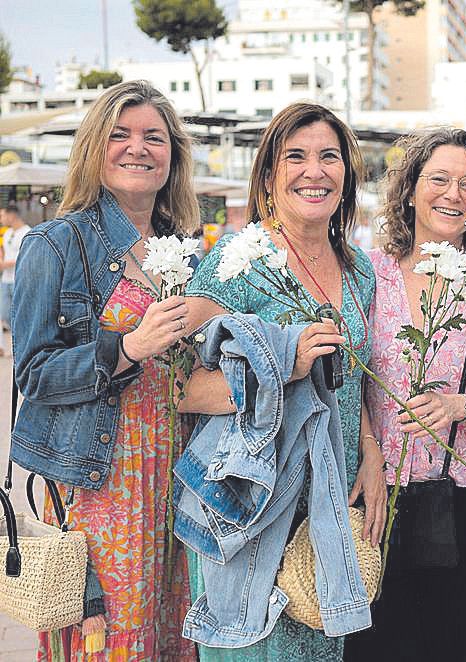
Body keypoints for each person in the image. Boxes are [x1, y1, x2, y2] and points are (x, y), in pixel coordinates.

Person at [179, 102, 387, 661]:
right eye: (296, 156)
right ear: (269, 174)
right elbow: (185, 388)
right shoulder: (238, 260)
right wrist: (281, 370)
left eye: (329, 157)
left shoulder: (358, 269)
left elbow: (351, 382)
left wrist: (370, 454)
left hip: (330, 497)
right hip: (258, 503)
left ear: (348, 173)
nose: (314, 171)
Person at [11, 80, 200, 660]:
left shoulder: (186, 248)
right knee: (111, 642)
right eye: (120, 134)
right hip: (101, 481)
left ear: (174, 156)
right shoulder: (56, 243)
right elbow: (34, 374)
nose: (138, 148)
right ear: (95, 147)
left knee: (176, 637)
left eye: (154, 137)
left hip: (184, 476)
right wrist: (126, 348)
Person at [343, 128, 466, 662]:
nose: (453, 194)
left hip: (465, 507)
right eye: (438, 179)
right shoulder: (365, 271)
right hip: (373, 506)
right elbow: (347, 381)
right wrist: (369, 446)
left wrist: (461, 406)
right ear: (410, 188)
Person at [0, 204, 30, 357]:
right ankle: (20, 339)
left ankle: (22, 345)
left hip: (20, 279)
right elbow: (5, 251)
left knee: (21, 313)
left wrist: (6, 264)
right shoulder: (7, 233)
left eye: (3, 215)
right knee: (4, 313)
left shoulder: (27, 232)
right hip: (5, 279)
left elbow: (26, 257)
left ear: (12, 215)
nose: (1, 219)